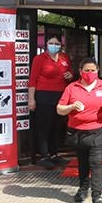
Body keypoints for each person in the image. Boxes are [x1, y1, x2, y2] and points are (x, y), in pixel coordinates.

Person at [57, 58, 102, 203]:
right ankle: (82, 190)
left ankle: (97, 196)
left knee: (96, 162)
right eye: (87, 70)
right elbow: (60, 109)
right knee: (83, 163)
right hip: (78, 132)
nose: (90, 73)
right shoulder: (72, 87)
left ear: (97, 71)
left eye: (93, 70)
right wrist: (71, 106)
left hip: (100, 130)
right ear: (80, 71)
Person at [28, 35, 73, 168]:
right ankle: (43, 155)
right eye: (51, 43)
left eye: (56, 43)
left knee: (56, 127)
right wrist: (31, 99)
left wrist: (70, 75)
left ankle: (54, 154)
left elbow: (69, 74)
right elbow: (33, 80)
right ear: (46, 44)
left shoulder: (64, 58)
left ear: (61, 45)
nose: (54, 45)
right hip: (44, 96)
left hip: (60, 96)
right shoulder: (40, 59)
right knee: (44, 127)